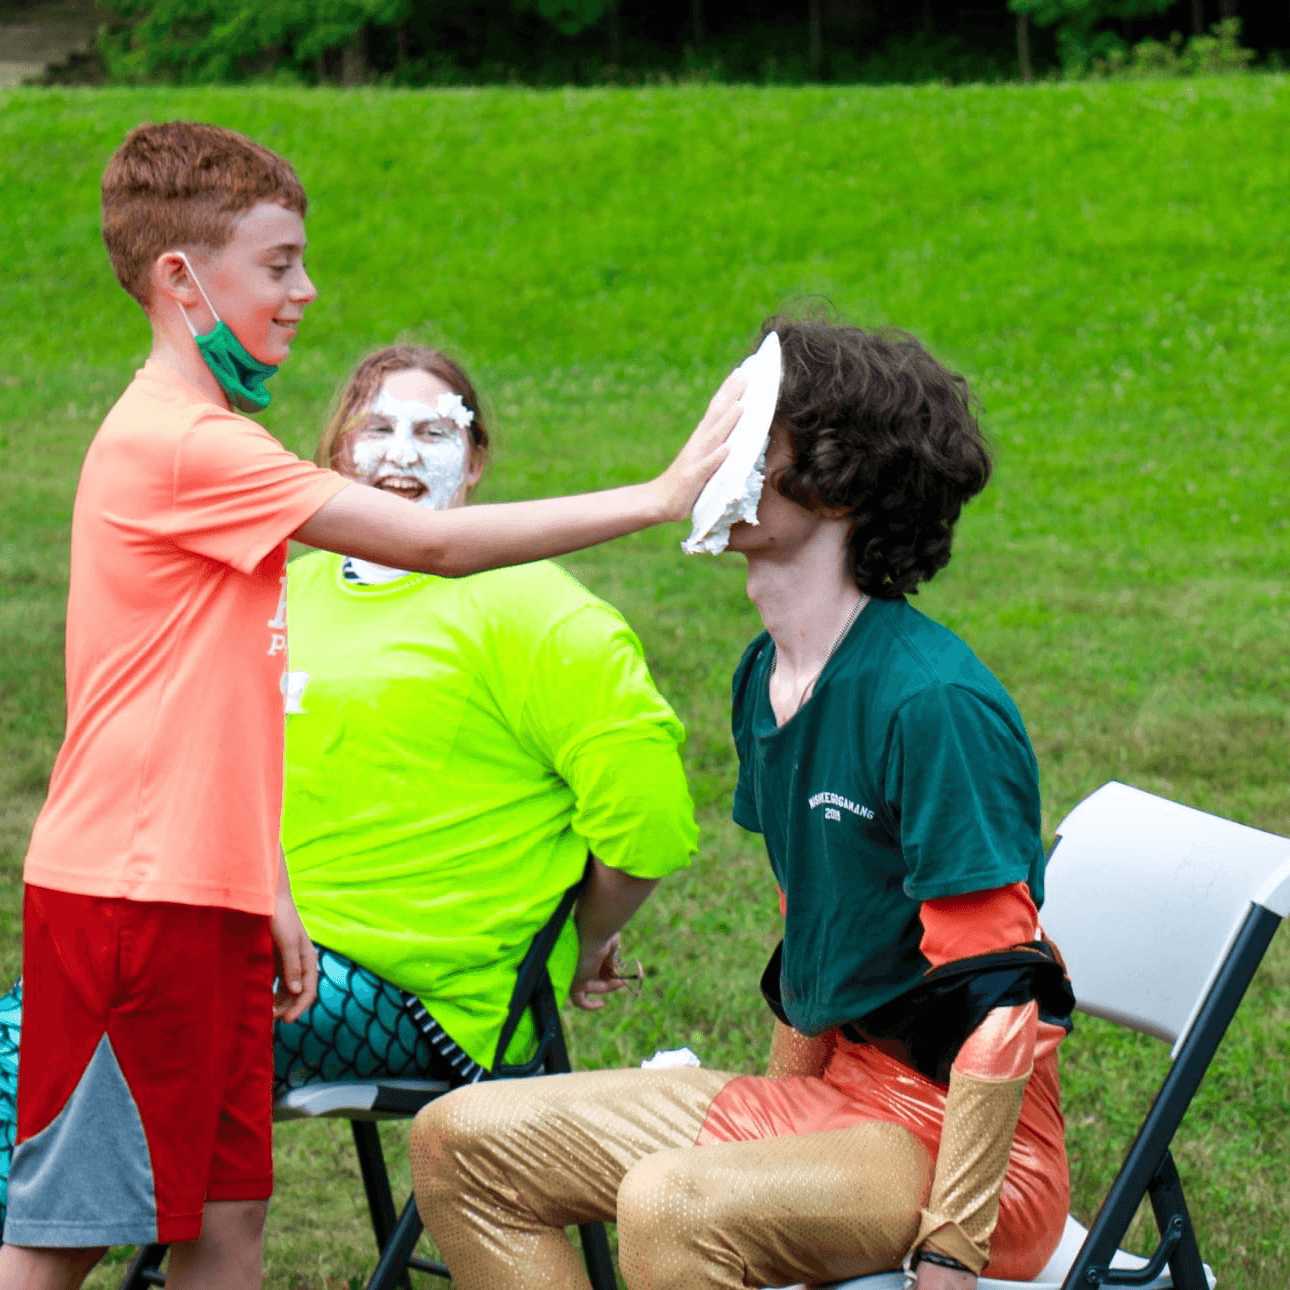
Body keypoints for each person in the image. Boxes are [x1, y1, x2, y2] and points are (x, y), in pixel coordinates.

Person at [0, 120, 737, 1290]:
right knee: (67, 1229)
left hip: (210, 904)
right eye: (280, 262)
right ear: (182, 280)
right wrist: (662, 496)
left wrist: (266, 888)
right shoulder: (184, 446)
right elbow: (434, 544)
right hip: (134, 900)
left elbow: (220, 719)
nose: (306, 290)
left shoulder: (217, 441)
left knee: (227, 1224)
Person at [407, 318, 1076, 1290]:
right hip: (838, 1102)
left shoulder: (933, 704)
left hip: (963, 1149)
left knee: (674, 1205)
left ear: (838, 484)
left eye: (760, 439)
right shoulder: (767, 674)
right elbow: (811, 922)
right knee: (458, 1145)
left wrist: (949, 1257)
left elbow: (1003, 1002)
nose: (726, 456)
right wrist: (776, 1124)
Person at [273, 343, 698, 1091]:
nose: (400, 454)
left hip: (415, 998)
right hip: (251, 945)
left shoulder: (539, 612)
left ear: (473, 464)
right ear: (336, 455)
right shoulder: (281, 595)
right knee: (74, 1016)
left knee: (113, 1043)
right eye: (376, 430)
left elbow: (649, 815)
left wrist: (581, 939)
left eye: (433, 433)